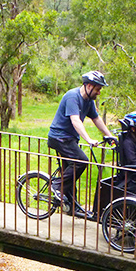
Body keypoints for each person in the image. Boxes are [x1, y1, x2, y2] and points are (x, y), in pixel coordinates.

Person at [48, 71, 115, 219]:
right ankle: (56, 186)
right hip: (60, 138)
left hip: (69, 139)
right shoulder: (73, 97)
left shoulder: (89, 101)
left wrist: (109, 136)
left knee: (70, 173)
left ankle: (71, 207)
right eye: (97, 89)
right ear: (89, 86)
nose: (98, 93)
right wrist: (89, 139)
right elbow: (75, 121)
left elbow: (96, 119)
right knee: (81, 161)